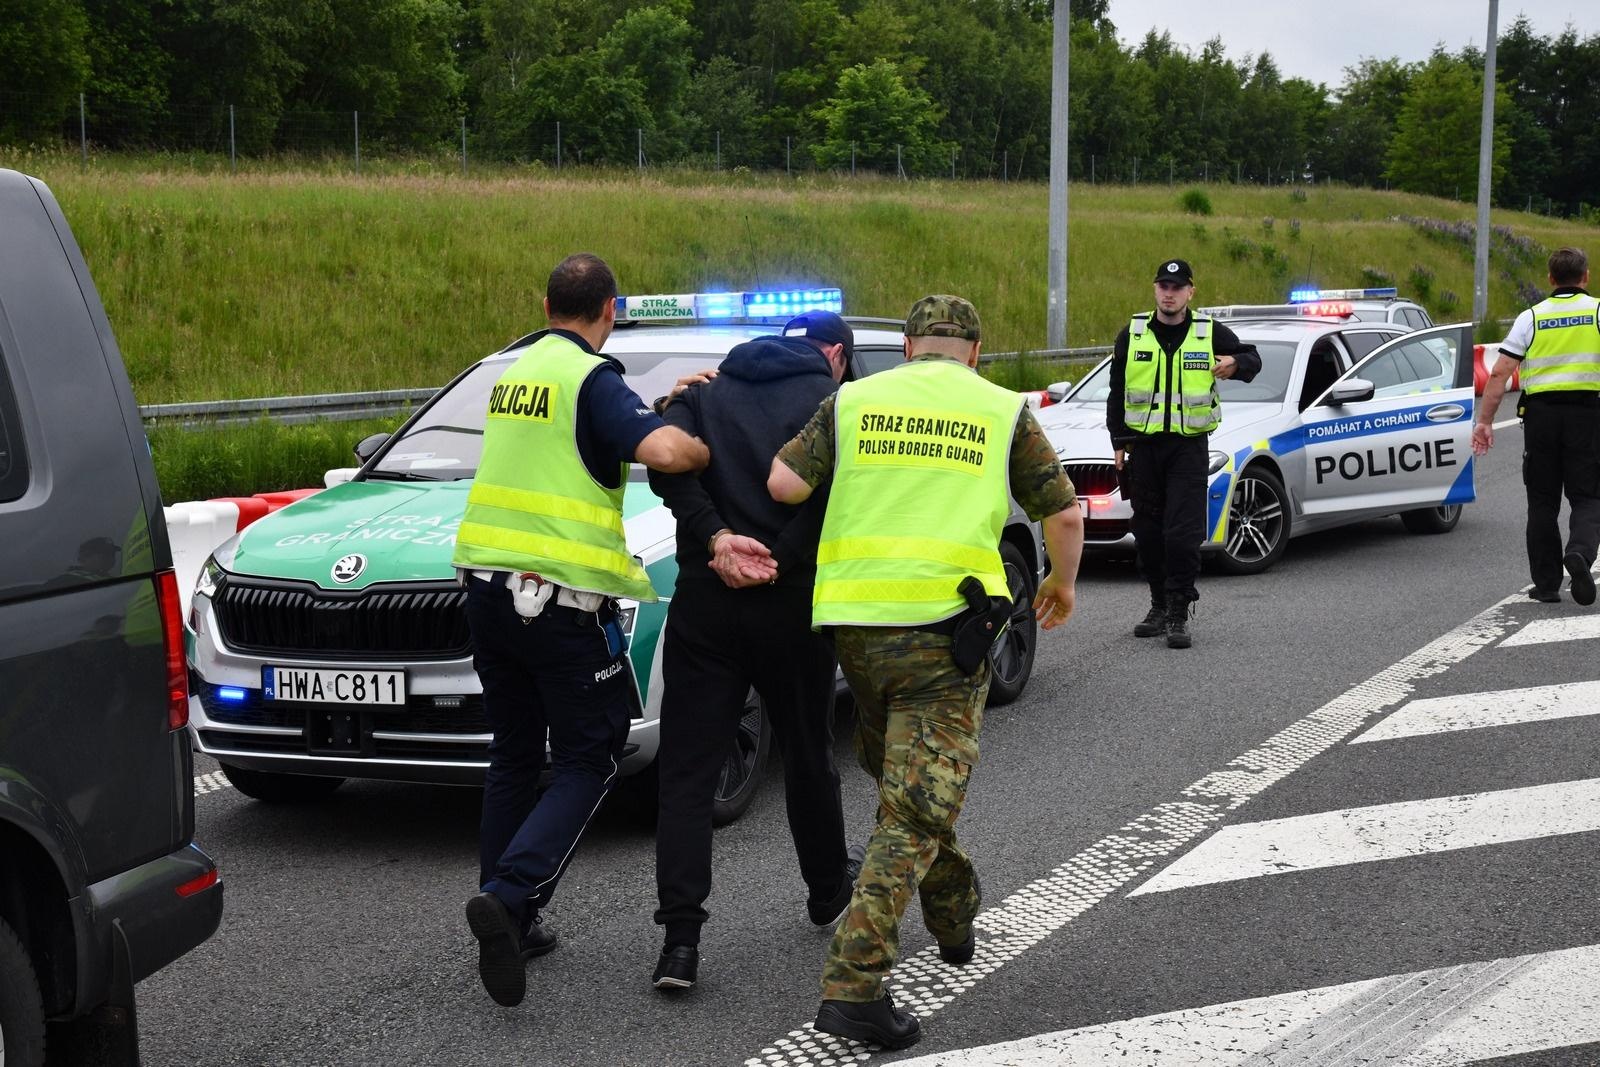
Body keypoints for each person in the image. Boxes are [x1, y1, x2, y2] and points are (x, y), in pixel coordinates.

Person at [767, 294, 1083, 1050]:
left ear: (908, 347)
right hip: (947, 633)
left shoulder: (852, 401)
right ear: (974, 351)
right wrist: (1061, 584)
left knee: (904, 785)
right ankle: (855, 982)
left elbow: (784, 484)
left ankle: (952, 909)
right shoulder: (1001, 408)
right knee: (915, 806)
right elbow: (1063, 514)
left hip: (855, 629)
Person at [452, 252, 709, 1008]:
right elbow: (660, 450)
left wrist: (649, 404)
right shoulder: (591, 379)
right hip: (555, 604)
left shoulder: (517, 371)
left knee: (514, 752)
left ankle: (513, 918)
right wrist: (692, 439)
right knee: (590, 757)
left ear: (547, 302)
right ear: (610, 310)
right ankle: (509, 894)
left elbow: (578, 439)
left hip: (486, 591)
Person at [645, 310, 863, 992]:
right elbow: (839, 492)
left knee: (686, 772)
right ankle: (828, 889)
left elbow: (665, 469)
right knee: (806, 751)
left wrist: (716, 537)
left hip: (706, 608)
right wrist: (783, 555)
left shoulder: (704, 393)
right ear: (833, 354)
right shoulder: (833, 405)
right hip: (794, 603)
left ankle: (680, 941)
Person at [1106, 258, 1261, 648]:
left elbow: (1253, 360)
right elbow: (1116, 390)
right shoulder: (1134, 333)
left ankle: (1178, 611)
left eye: (1177, 287)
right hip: (1144, 448)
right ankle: (1158, 604)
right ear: (1155, 289)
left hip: (1188, 449)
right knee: (1147, 532)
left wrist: (1235, 362)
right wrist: (1119, 443)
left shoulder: (1208, 331)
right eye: (1163, 286)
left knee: (1182, 533)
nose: (1169, 293)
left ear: (1190, 291)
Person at [1473, 246, 1600, 606]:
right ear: (1585, 277)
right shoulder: (1598, 312)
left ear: (1550, 279)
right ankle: (1579, 553)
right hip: (1588, 416)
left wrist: (1485, 422)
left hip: (1541, 418)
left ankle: (1546, 585)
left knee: (1542, 501)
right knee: (1589, 495)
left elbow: (1499, 373)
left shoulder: (1532, 317)